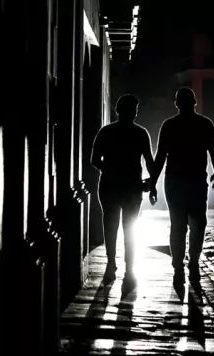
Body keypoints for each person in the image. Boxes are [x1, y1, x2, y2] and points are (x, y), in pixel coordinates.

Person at [150, 87, 214, 287]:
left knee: (178, 224)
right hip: (196, 181)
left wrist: (152, 183)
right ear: (195, 102)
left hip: (174, 181)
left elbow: (160, 158)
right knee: (198, 223)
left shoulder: (169, 126)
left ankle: (178, 266)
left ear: (177, 104)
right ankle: (192, 262)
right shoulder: (205, 124)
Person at [90, 94, 155, 285]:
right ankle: (130, 268)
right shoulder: (141, 133)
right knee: (130, 228)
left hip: (110, 184)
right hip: (133, 187)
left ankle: (111, 265)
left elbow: (94, 160)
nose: (134, 113)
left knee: (110, 226)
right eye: (134, 109)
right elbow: (149, 161)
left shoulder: (106, 132)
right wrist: (152, 184)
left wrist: (109, 169)